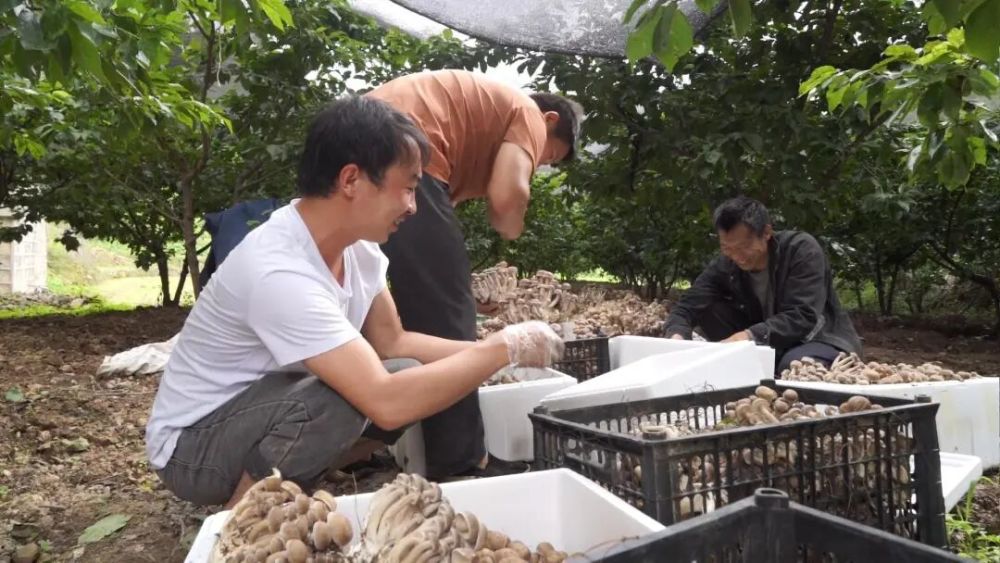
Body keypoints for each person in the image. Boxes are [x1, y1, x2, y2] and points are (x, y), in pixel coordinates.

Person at [143, 96, 564, 508]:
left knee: (410, 372)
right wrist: (501, 348)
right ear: (350, 180)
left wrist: (498, 354)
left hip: (260, 412)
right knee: (344, 400)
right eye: (409, 188)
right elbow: (386, 401)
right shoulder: (278, 270)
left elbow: (394, 343)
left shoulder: (359, 250)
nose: (413, 207)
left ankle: (295, 473)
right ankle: (243, 519)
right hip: (193, 449)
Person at [364, 69, 585, 479]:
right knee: (447, 319)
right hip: (400, 140)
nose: (539, 163)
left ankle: (359, 444)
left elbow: (427, 256)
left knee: (363, 302)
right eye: (549, 156)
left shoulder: (472, 139)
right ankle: (461, 461)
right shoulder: (528, 112)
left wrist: (457, 287)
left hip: (367, 137)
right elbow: (506, 201)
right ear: (550, 121)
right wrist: (513, 228)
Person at [662, 196, 862, 375]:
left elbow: (803, 315)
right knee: (707, 308)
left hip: (817, 338)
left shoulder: (801, 250)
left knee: (794, 366)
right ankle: (756, 368)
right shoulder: (727, 264)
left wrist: (748, 336)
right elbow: (688, 305)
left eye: (744, 247)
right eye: (727, 248)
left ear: (766, 232)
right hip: (768, 344)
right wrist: (676, 337)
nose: (737, 256)